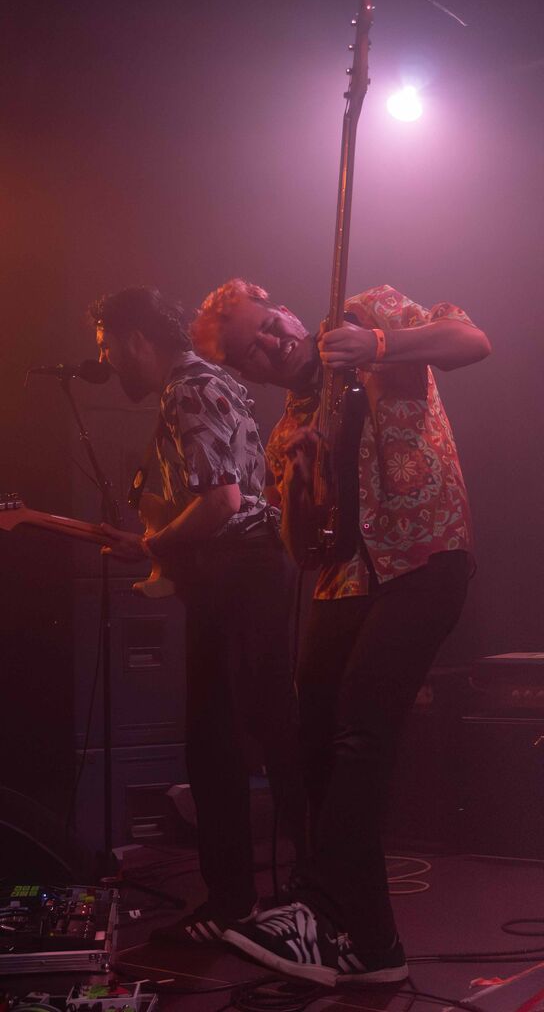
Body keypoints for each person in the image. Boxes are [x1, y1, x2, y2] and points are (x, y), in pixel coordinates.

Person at [191, 278, 491, 986]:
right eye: (253, 350)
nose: (273, 343)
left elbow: (471, 341)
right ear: (247, 373)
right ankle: (372, 945)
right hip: (344, 582)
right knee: (312, 743)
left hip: (424, 557)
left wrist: (379, 343)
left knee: (361, 728)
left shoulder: (369, 312)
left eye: (270, 324)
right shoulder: (285, 432)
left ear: (282, 308)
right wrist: (300, 487)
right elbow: (303, 551)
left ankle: (323, 906)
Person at [89, 286, 307, 943]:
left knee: (218, 746)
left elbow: (222, 503)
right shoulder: (211, 381)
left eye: (108, 348)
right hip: (249, 572)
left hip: (239, 574)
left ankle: (239, 903)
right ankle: (310, 890)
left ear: (135, 341)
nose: (106, 363)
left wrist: (156, 544)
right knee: (268, 735)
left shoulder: (187, 388)